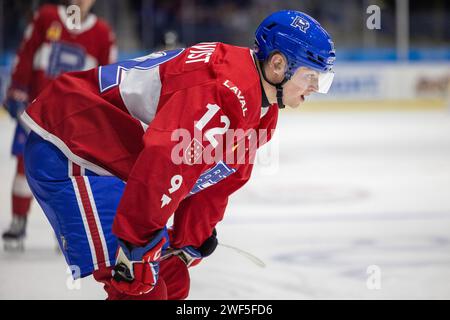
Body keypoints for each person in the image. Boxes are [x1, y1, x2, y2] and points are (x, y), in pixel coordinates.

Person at [20, 10, 335, 299]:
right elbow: (167, 157)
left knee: (172, 277)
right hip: (72, 147)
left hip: (110, 158)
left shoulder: (262, 112)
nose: (315, 88)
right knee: (141, 289)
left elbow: (223, 177)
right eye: (310, 77)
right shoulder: (223, 88)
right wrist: (136, 242)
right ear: (278, 65)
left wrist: (190, 237)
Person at [2, 0, 117, 251]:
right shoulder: (46, 17)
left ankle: (68, 228)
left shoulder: (102, 34)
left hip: (74, 120)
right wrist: (17, 89)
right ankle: (19, 221)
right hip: (37, 110)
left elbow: (107, 79)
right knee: (26, 164)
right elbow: (26, 53)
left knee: (71, 174)